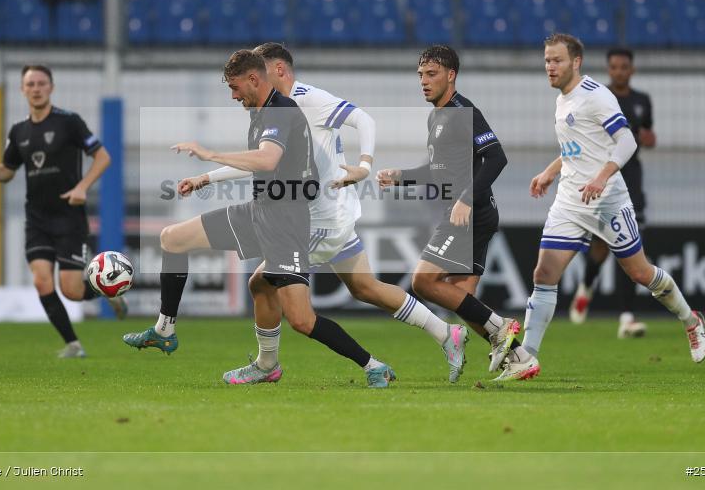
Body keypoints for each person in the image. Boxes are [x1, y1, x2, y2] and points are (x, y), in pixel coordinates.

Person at [176, 43, 468, 384]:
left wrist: (364, 165)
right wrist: (207, 178)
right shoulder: (272, 113)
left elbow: (364, 119)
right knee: (367, 288)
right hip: (333, 214)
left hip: (320, 219)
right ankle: (447, 334)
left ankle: (272, 365)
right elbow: (261, 163)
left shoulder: (305, 99)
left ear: (278, 71)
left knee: (267, 289)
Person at [122, 49, 396, 388]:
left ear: (255, 79)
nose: (234, 96)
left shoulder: (280, 111)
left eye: (235, 88)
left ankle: (372, 365)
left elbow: (266, 160)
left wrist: (210, 153)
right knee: (172, 238)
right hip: (260, 211)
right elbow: (262, 162)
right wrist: (205, 178)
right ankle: (166, 330)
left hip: (285, 224)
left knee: (301, 319)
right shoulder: (264, 111)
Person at [495, 33, 705, 381]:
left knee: (641, 273)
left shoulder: (596, 96)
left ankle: (690, 320)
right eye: (547, 60)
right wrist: (550, 172)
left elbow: (628, 141)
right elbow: (576, 148)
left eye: (557, 60)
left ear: (575, 62)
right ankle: (527, 358)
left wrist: (601, 177)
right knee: (543, 274)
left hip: (607, 198)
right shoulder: (563, 99)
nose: (550, 66)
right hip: (570, 200)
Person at [375, 45, 529, 378]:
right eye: (420, 75)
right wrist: (400, 176)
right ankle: (520, 358)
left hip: (468, 213)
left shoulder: (464, 112)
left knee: (423, 281)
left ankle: (502, 327)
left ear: (451, 75)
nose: (424, 82)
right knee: (462, 299)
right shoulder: (437, 116)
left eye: (431, 74)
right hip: (475, 213)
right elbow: (437, 170)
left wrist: (466, 199)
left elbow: (497, 157)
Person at [0, 65, 120, 358]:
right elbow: (7, 172)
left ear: (51, 87)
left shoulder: (69, 122)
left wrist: (82, 187)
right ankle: (74, 345)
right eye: (30, 84)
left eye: (41, 83)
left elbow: (103, 157)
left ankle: (106, 290)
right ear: (22, 90)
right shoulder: (19, 131)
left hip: (68, 217)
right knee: (41, 280)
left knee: (72, 290)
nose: (36, 88)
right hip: (37, 218)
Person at [569, 47, 656, 338]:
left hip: (631, 179)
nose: (619, 71)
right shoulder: (599, 97)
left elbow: (648, 137)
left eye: (624, 67)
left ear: (631, 70)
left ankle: (627, 317)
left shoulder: (642, 101)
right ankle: (587, 285)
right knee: (600, 249)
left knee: (629, 251)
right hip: (602, 178)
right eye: (614, 67)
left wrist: (647, 137)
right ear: (609, 69)